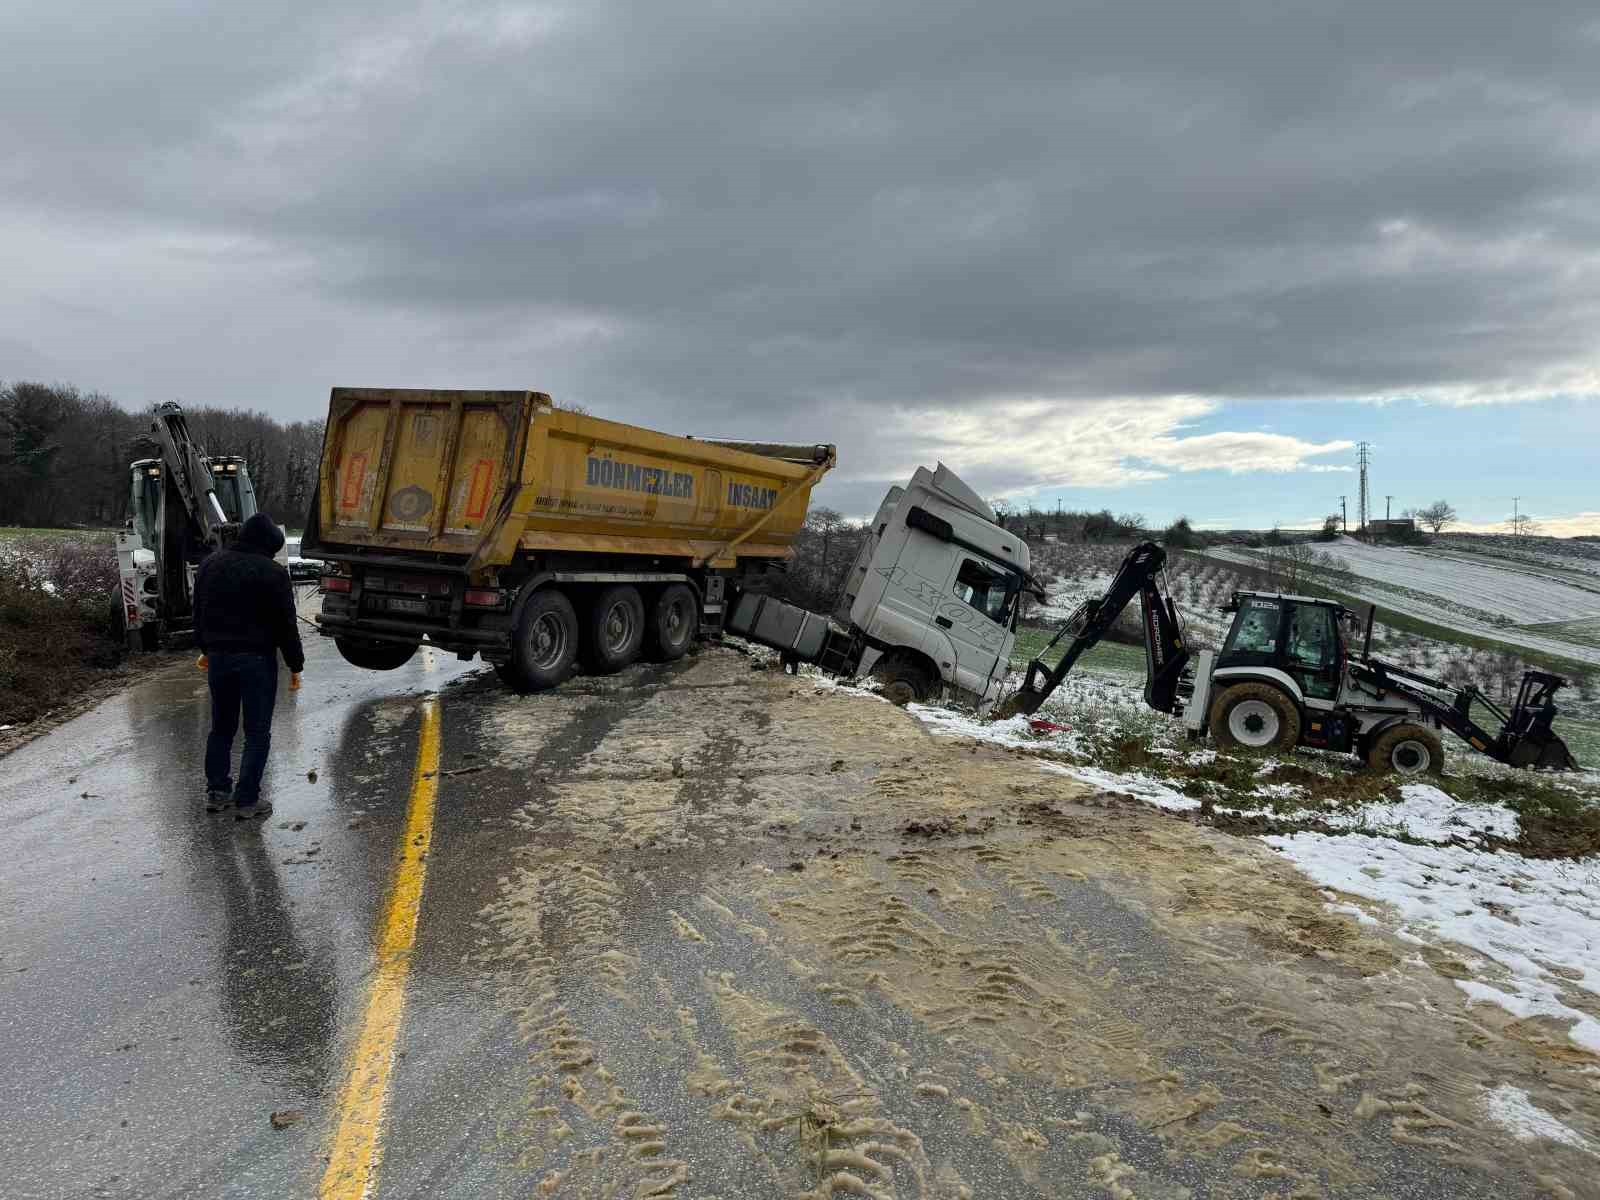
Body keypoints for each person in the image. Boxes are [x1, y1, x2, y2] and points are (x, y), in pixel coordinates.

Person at [193, 512, 305, 820]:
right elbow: (286, 626)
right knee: (257, 732)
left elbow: (198, 612)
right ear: (267, 545)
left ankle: (217, 793)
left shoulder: (210, 565)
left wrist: (207, 648)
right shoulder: (272, 573)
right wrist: (296, 664)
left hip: (219, 658)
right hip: (257, 660)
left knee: (221, 727)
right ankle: (246, 801)